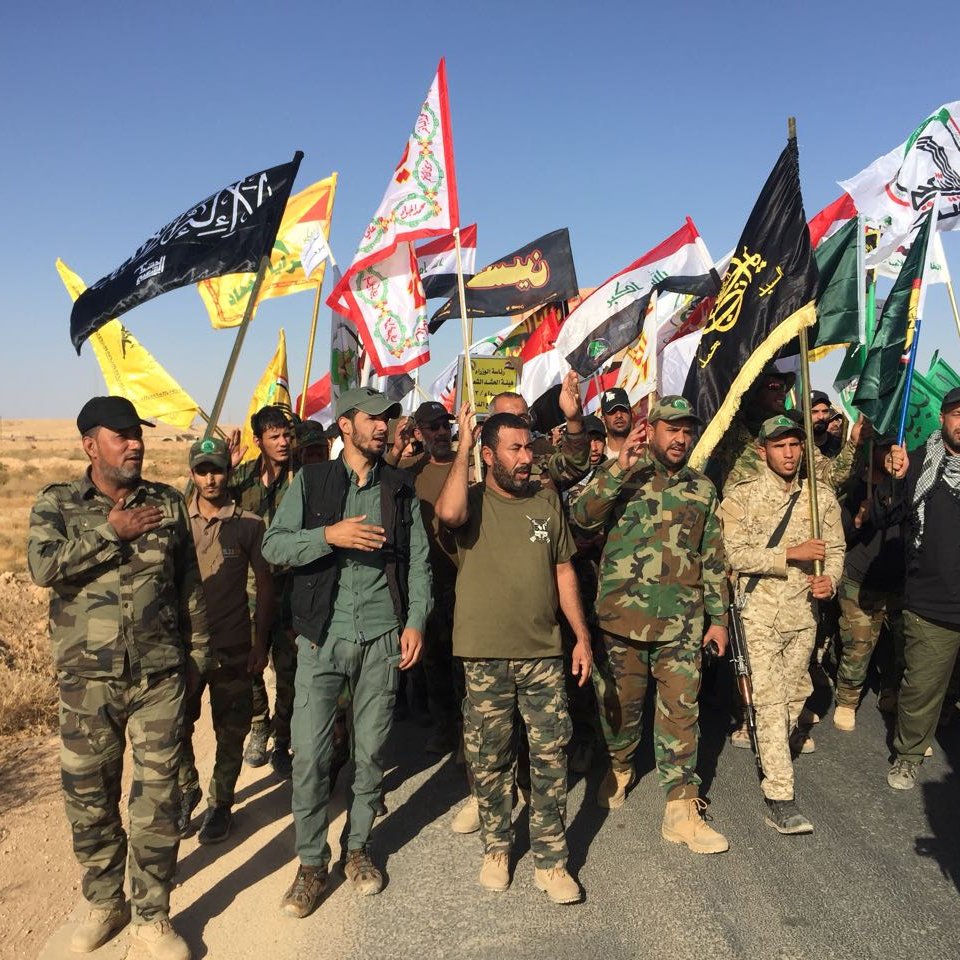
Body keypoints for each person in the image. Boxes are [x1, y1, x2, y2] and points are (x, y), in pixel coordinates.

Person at [27, 397, 212, 960]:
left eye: (138, 434)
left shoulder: (168, 503)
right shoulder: (57, 503)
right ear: (90, 444)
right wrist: (111, 531)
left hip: (159, 677)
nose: (135, 444)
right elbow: (42, 567)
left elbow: (189, 591)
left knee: (157, 802)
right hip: (87, 684)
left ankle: (152, 916)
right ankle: (106, 903)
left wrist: (198, 661)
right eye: (121, 435)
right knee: (89, 798)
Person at [261, 386, 431, 915]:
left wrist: (417, 621)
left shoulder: (400, 490)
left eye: (389, 419)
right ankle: (311, 865)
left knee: (370, 755)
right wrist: (327, 536)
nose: (384, 427)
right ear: (346, 425)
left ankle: (357, 850)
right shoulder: (312, 482)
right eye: (373, 419)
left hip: (383, 638)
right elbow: (273, 546)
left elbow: (419, 563)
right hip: (322, 640)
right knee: (310, 758)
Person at [435, 405, 593, 905]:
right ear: (489, 456)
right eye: (515, 449)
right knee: (489, 758)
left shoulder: (546, 503)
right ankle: (497, 847)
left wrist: (580, 636)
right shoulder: (473, 502)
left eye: (529, 448)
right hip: (484, 657)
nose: (527, 458)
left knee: (550, 757)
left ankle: (551, 860)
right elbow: (448, 514)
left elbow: (563, 571)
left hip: (543, 654)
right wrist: (462, 448)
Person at [571, 396, 730, 854]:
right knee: (620, 709)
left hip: (682, 625)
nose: (680, 438)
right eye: (671, 429)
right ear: (652, 430)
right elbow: (581, 518)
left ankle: (681, 807)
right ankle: (619, 764)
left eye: (687, 430)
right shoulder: (624, 476)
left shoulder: (702, 489)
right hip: (622, 622)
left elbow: (713, 557)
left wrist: (718, 620)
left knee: (682, 712)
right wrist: (619, 468)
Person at [720, 415, 844, 834]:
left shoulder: (820, 498)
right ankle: (780, 795)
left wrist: (831, 580)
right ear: (763, 452)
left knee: (795, 695)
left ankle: (766, 737)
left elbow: (837, 548)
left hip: (804, 614)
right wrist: (790, 554)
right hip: (758, 616)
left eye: (795, 445)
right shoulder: (741, 497)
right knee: (772, 703)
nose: (789, 453)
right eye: (779, 446)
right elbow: (733, 555)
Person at [177, 437, 274, 844]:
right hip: (185, 648)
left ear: (228, 471)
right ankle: (186, 790)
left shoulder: (249, 525)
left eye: (217, 468)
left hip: (234, 644)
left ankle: (220, 804)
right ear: (193, 474)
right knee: (174, 727)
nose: (211, 477)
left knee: (230, 731)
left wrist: (260, 645)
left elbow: (266, 588)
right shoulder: (176, 524)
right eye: (202, 470)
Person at [875, 388, 960, 790]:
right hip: (933, 604)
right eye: (957, 413)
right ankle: (908, 755)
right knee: (921, 687)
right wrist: (893, 479)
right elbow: (883, 516)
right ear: (942, 418)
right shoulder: (919, 462)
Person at [387, 400, 462, 755]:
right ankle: (445, 726)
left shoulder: (469, 464)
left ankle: (468, 730)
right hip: (429, 580)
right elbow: (376, 479)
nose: (442, 433)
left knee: (465, 660)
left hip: (466, 580)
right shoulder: (410, 471)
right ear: (420, 432)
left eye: (445, 426)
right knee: (435, 660)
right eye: (433, 427)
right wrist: (398, 447)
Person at [230, 405, 296, 779]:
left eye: (286, 434)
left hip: (290, 590)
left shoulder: (301, 477)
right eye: (274, 436)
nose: (283, 442)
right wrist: (225, 467)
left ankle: (283, 739)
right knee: (250, 665)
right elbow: (198, 498)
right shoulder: (242, 479)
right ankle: (260, 724)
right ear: (259, 441)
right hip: (252, 592)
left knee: (289, 669)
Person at [832, 438, 904, 732]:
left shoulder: (904, 486)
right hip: (858, 581)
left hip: (898, 583)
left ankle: (890, 694)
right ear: (872, 451)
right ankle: (847, 701)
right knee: (858, 645)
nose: (891, 454)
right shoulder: (854, 488)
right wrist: (859, 519)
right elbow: (837, 536)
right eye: (884, 448)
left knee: (900, 648)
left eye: (895, 448)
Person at [487, 370, 590, 492]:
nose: (516, 423)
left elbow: (575, 466)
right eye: (507, 417)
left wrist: (573, 419)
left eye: (522, 417)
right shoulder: (477, 463)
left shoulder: (542, 457)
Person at [599, 387, 633, 460]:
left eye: (623, 409)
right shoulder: (597, 458)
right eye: (612, 411)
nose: (619, 415)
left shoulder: (646, 452)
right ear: (603, 419)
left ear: (631, 413)